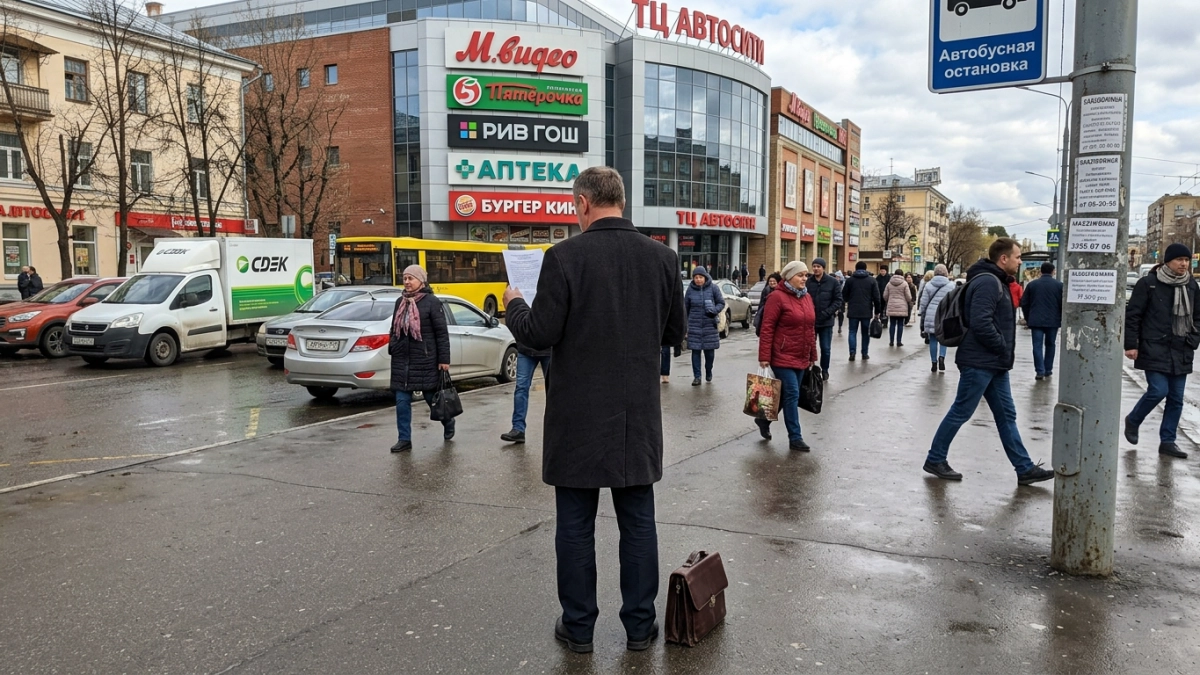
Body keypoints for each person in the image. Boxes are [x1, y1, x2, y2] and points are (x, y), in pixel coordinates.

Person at [503, 167, 685, 654]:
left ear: (582, 204)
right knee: (639, 524)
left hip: (577, 418)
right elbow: (674, 335)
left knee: (576, 527)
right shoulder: (663, 258)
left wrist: (514, 304)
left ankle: (579, 628)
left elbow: (538, 333)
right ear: (621, 201)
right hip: (636, 418)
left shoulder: (563, 257)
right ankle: (640, 628)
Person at [922, 238, 1055, 486]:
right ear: (1003, 258)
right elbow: (981, 322)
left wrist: (1000, 353)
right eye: (1017, 257)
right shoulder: (987, 282)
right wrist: (1001, 346)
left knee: (1007, 415)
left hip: (993, 363)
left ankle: (1024, 468)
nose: (1019, 262)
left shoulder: (998, 281)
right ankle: (936, 458)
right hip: (980, 361)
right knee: (962, 410)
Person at [1123, 243, 1200, 459]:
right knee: (1158, 390)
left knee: (1176, 398)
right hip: (1153, 346)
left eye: (1186, 260)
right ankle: (1133, 419)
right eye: (1179, 260)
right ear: (1167, 261)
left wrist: (1193, 340)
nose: (1184, 264)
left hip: (1181, 349)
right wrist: (1131, 345)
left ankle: (1168, 441)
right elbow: (1133, 316)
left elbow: (1197, 317)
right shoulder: (1149, 284)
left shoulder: (1191, 286)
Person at [388, 265, 453, 453]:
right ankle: (404, 439)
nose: (407, 282)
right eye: (405, 278)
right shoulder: (399, 301)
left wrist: (444, 359)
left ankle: (448, 421)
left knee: (432, 399)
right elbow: (394, 328)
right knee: (401, 402)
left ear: (421, 281)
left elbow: (442, 333)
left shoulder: (432, 302)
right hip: (402, 360)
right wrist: (393, 345)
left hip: (425, 359)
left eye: (411, 278)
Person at [757, 261, 818, 451]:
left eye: (806, 275)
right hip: (781, 355)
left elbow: (810, 328)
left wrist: (812, 354)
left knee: (787, 395)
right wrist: (764, 356)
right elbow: (767, 328)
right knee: (792, 392)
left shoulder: (807, 297)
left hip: (801, 355)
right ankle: (795, 437)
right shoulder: (777, 297)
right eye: (801, 275)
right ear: (789, 276)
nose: (804, 279)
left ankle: (763, 420)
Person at [501, 340, 551, 444]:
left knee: (552, 390)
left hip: (549, 350)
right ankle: (518, 429)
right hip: (525, 350)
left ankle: (556, 430)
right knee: (521, 388)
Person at [1020, 262, 1064, 380]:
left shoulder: (1032, 285)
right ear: (1053, 271)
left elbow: (1024, 302)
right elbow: (1062, 305)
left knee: (1037, 346)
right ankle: (1048, 369)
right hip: (1053, 321)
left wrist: (1028, 318)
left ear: (1041, 271)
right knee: (1050, 345)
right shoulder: (1059, 286)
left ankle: (1039, 371)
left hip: (1036, 320)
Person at [684, 265, 724, 386]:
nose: (698, 280)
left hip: (709, 325)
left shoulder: (713, 288)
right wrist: (685, 326)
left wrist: (714, 310)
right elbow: (685, 308)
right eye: (696, 277)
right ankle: (697, 376)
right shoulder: (690, 290)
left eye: (700, 277)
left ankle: (708, 371)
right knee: (695, 352)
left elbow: (721, 303)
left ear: (705, 277)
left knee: (709, 353)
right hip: (694, 325)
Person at [806, 257, 842, 381]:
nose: (816, 269)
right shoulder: (808, 282)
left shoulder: (832, 282)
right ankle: (809, 369)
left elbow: (838, 301)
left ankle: (825, 370)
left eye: (818, 266)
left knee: (825, 348)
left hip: (826, 321)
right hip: (811, 321)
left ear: (823, 268)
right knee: (809, 347)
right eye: (814, 266)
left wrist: (827, 313)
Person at [919, 264, 954, 373]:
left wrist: (922, 313)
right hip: (945, 314)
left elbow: (923, 302)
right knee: (943, 339)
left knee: (933, 339)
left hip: (931, 315)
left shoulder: (928, 285)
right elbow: (954, 302)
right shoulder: (951, 285)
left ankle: (934, 362)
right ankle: (942, 357)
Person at [843, 261, 881, 361]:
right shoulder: (872, 280)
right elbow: (877, 297)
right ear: (865, 268)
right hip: (866, 311)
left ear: (856, 268)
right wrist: (877, 311)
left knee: (852, 332)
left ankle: (852, 352)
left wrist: (849, 300)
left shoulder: (850, 280)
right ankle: (864, 353)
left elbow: (844, 295)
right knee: (865, 333)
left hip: (853, 310)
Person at [883, 270, 912, 347]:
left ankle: (891, 341)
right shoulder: (905, 284)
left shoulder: (889, 284)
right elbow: (908, 297)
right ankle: (899, 341)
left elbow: (885, 296)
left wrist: (889, 300)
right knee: (900, 324)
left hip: (891, 306)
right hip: (902, 307)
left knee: (892, 324)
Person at [753, 272, 783, 336]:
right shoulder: (765, 291)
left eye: (774, 281)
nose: (772, 283)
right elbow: (761, 305)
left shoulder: (782, 292)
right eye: (770, 281)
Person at [833, 270, 846, 334]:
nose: (837, 278)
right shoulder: (833, 283)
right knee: (832, 314)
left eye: (838, 277)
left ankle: (840, 326)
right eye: (836, 276)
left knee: (840, 314)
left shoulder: (843, 284)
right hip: (834, 301)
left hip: (841, 301)